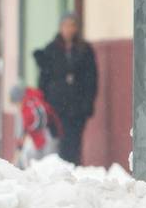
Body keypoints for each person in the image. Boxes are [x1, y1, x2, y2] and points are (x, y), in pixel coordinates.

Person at [33, 12, 98, 164]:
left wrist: (88, 103)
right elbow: (44, 79)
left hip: (78, 105)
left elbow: (91, 79)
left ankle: (73, 169)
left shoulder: (85, 50)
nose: (69, 29)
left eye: (72, 25)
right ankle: (59, 172)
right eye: (66, 25)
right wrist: (44, 102)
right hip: (57, 105)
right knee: (58, 141)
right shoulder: (51, 50)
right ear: (60, 27)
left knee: (74, 141)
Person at [11, 84, 61, 168]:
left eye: (16, 103)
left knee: (45, 164)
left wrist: (20, 142)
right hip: (51, 134)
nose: (16, 106)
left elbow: (26, 126)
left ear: (19, 99)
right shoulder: (33, 98)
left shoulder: (28, 106)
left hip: (45, 138)